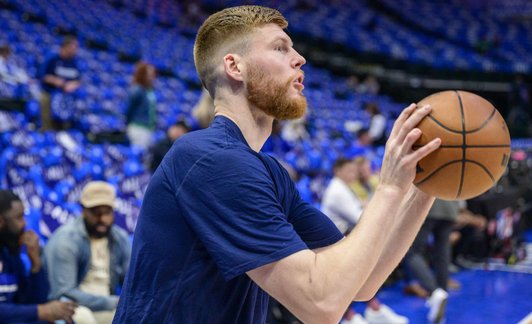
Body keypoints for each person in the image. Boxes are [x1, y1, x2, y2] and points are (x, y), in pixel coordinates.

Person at [113, 5, 440, 323]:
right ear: (235, 67)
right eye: (280, 48)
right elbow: (321, 304)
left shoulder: (265, 170)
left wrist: (427, 185)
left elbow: (363, 281)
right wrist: (388, 187)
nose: (300, 59)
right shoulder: (210, 158)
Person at [322, 158, 408, 324]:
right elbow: (358, 216)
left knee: (361, 272)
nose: (353, 174)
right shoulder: (337, 190)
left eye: (354, 170)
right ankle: (350, 316)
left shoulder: (344, 187)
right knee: (351, 276)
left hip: (344, 238)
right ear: (337, 171)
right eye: (349, 171)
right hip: (334, 243)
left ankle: (373, 309)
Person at [43, 181, 131, 324]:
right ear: (83, 211)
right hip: (74, 307)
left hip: (106, 305)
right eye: (96, 213)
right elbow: (63, 293)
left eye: (107, 213)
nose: (102, 219)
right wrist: (114, 302)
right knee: (84, 318)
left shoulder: (119, 238)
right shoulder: (65, 240)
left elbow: (131, 281)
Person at [0, 189, 75, 323]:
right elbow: (37, 309)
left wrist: (36, 264)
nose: (24, 223)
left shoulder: (9, 253)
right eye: (18, 217)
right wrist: (41, 311)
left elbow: (33, 301)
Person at [38, 35, 81, 131]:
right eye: (74, 47)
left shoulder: (74, 62)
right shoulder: (52, 58)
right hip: (49, 94)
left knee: (64, 128)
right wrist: (56, 81)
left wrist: (72, 85)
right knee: (47, 126)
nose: (76, 50)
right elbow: (41, 75)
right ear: (66, 47)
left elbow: (78, 80)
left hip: (66, 98)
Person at [125, 61, 157, 149]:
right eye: (149, 74)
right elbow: (128, 110)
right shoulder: (137, 90)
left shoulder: (150, 90)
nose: (152, 77)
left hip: (148, 128)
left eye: (153, 74)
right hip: (138, 128)